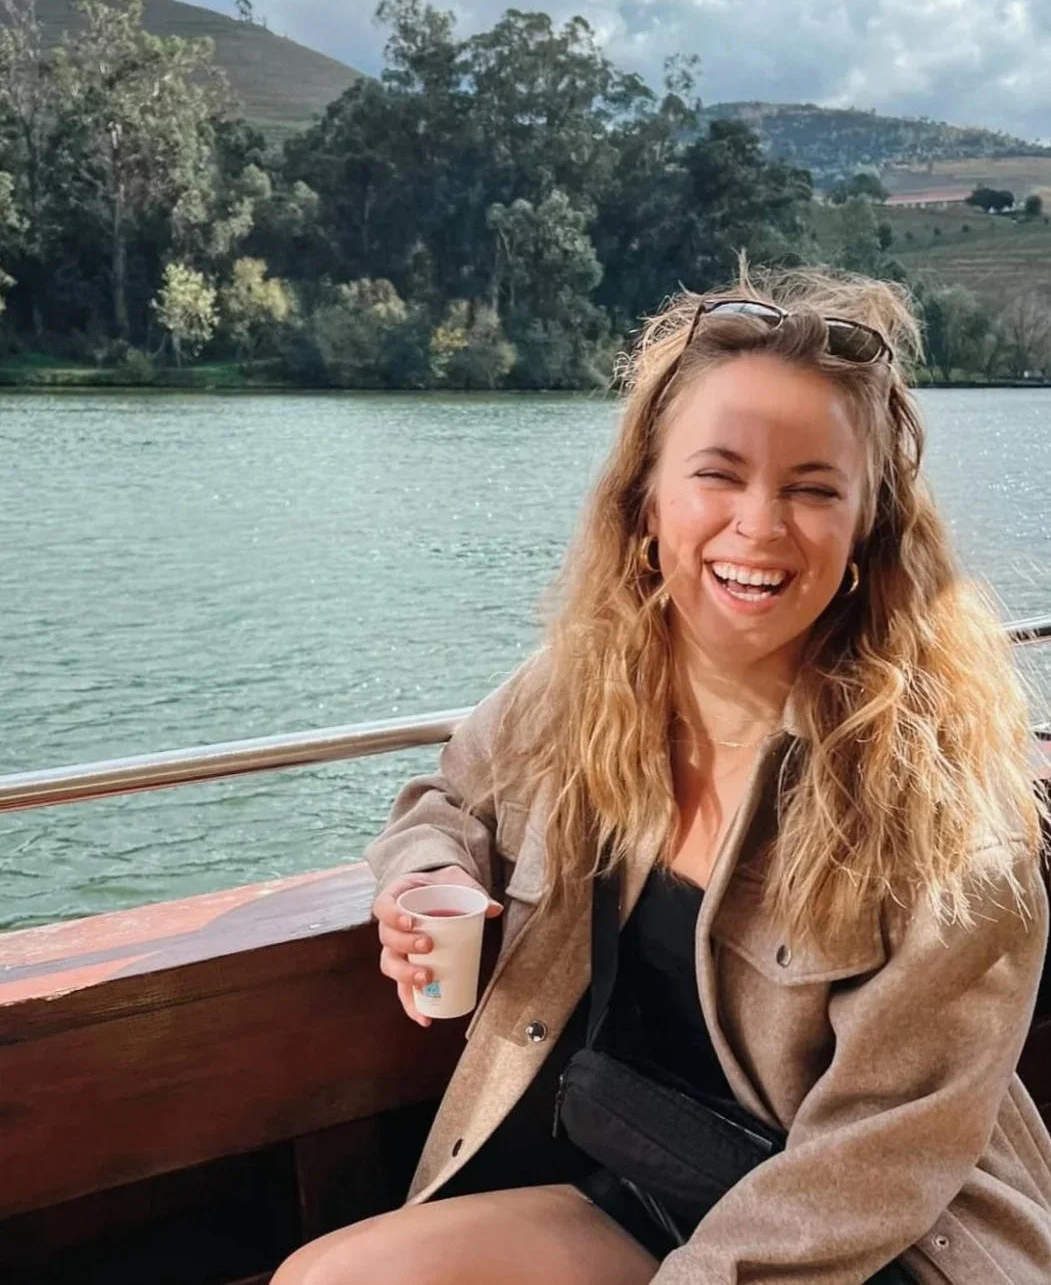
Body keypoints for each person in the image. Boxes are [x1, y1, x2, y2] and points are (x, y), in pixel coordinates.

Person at [272, 267, 1050, 1285]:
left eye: (813, 489)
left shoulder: (944, 808)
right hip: (645, 1181)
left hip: (870, 1242)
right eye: (717, 473)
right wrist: (426, 878)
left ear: (868, 530)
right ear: (644, 503)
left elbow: (881, 1154)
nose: (759, 525)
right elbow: (449, 798)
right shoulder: (584, 689)